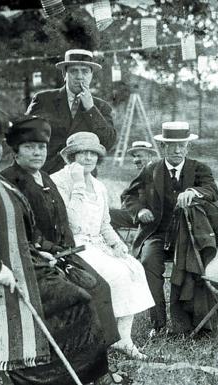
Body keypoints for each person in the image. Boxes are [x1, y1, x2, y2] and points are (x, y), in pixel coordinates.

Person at [0, 108, 112, 385]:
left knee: (81, 295)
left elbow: (16, 230)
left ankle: (80, 375)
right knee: (77, 300)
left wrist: (37, 251)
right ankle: (43, 377)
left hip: (19, 261)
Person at [0, 115, 121, 348]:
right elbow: (19, 230)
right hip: (33, 257)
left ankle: (101, 348)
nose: (37, 153)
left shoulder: (44, 177)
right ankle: (79, 351)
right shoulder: (9, 181)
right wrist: (45, 252)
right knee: (78, 295)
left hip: (62, 252)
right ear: (15, 152)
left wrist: (66, 250)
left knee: (100, 287)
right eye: (29, 147)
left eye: (41, 147)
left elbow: (63, 221)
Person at [50, 132, 155, 360]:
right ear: (71, 156)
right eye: (82, 153)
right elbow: (72, 223)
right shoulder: (59, 180)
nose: (88, 158)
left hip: (97, 244)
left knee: (134, 268)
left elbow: (104, 222)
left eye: (93, 153)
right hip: (71, 245)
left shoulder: (98, 186)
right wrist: (77, 184)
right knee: (115, 274)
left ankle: (124, 339)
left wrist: (117, 244)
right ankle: (98, 336)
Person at [121, 122, 218, 336]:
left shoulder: (199, 168)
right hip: (155, 233)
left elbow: (212, 190)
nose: (177, 150)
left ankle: (185, 324)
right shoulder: (151, 169)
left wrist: (194, 191)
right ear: (163, 147)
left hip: (189, 236)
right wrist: (138, 211)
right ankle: (158, 324)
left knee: (188, 267)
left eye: (181, 145)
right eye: (172, 145)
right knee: (148, 263)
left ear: (188, 147)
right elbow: (128, 195)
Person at [26, 49, 116, 175]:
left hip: (83, 176)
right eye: (74, 71)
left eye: (85, 71)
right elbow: (25, 136)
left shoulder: (101, 107)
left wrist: (91, 109)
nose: (79, 76)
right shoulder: (43, 99)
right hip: (46, 174)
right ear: (64, 74)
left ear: (91, 75)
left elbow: (108, 142)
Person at [109, 140, 158, 230]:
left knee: (104, 215)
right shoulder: (145, 172)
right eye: (134, 157)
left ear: (150, 156)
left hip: (147, 217)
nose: (135, 160)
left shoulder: (154, 172)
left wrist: (139, 210)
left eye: (139, 156)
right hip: (138, 213)